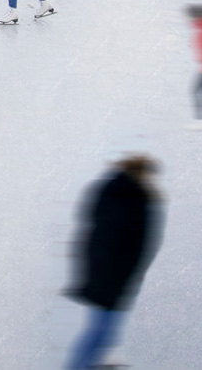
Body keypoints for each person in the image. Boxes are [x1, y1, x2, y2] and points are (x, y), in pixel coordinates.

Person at [66, 155, 163, 370]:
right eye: (148, 174)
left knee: (103, 330)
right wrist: (118, 272)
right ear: (140, 171)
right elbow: (114, 236)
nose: (151, 179)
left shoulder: (121, 191)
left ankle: (86, 364)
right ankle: (80, 366)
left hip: (110, 273)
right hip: (110, 275)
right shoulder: (126, 194)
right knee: (101, 330)